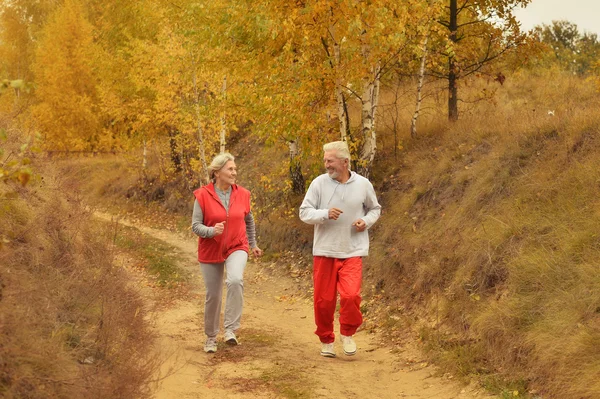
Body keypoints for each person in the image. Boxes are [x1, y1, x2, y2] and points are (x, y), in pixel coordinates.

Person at [299, 141, 381, 358]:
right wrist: (324, 214)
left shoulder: (363, 184)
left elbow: (375, 209)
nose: (326, 165)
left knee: (351, 295)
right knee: (324, 301)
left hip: (352, 250)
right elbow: (304, 212)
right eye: (325, 161)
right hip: (325, 250)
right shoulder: (318, 184)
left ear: (345, 162)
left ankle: (347, 332)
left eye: (330, 161)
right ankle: (326, 339)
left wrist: (365, 221)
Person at [192, 152, 263, 353]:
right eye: (230, 169)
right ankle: (211, 337)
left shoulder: (243, 194)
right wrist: (211, 231)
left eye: (235, 169)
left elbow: (248, 219)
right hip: (210, 248)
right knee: (213, 295)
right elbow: (195, 225)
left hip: (236, 245)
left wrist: (253, 244)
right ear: (217, 172)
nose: (234, 172)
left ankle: (231, 330)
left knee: (234, 280)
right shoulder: (202, 195)